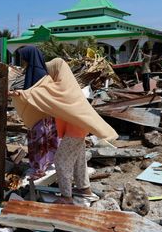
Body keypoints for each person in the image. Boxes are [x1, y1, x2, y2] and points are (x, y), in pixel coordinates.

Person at [12, 55, 118, 204]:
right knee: (79, 161)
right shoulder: (67, 85)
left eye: (52, 71)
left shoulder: (63, 88)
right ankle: (84, 189)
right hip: (78, 128)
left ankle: (66, 197)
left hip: (75, 130)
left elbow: (43, 94)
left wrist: (21, 94)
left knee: (61, 161)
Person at [9, 46, 58, 179]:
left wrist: (16, 93)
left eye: (24, 58)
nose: (23, 61)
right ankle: (47, 163)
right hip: (46, 113)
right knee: (45, 139)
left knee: (39, 140)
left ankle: (39, 169)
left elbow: (33, 93)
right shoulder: (41, 71)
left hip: (38, 114)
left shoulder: (37, 73)